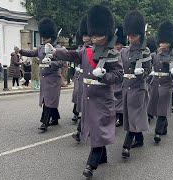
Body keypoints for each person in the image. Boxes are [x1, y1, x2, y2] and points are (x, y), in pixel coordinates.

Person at [54, 5, 123, 178]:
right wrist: (55, 51)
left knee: (99, 131)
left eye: (97, 35)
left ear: (106, 34)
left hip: (103, 99)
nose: (94, 38)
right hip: (89, 99)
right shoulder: (87, 50)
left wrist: (105, 75)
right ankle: (102, 157)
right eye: (93, 35)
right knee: (95, 130)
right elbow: (72, 56)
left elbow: (118, 75)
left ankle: (91, 165)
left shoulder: (112, 53)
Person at [19, 18, 64, 133]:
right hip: (44, 79)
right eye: (43, 37)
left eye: (46, 37)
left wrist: (50, 63)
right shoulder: (40, 48)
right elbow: (31, 53)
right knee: (48, 100)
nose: (43, 39)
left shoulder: (57, 49)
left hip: (53, 79)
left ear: (52, 37)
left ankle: (44, 122)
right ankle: (54, 118)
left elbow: (61, 63)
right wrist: (20, 51)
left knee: (48, 101)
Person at [120, 10, 152, 158]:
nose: (131, 38)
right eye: (130, 35)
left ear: (140, 34)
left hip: (139, 88)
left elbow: (148, 69)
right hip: (127, 87)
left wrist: (142, 73)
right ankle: (139, 139)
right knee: (130, 116)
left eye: (134, 35)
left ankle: (126, 146)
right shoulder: (124, 52)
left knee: (133, 116)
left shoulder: (145, 51)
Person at [147, 20, 173, 143]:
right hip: (155, 83)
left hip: (166, 83)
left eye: (165, 42)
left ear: (169, 44)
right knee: (155, 107)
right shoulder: (154, 55)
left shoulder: (172, 56)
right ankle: (164, 127)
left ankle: (158, 132)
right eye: (161, 42)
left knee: (162, 108)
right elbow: (149, 66)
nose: (162, 44)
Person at [71, 15, 92, 142]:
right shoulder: (81, 49)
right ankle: (81, 130)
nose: (85, 38)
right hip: (82, 79)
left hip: (94, 83)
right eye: (84, 36)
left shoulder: (98, 51)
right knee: (84, 107)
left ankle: (80, 131)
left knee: (89, 109)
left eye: (87, 36)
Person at [114, 26, 127, 127]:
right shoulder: (113, 53)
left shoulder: (125, 53)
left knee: (121, 100)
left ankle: (121, 118)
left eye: (119, 44)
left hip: (123, 80)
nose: (117, 46)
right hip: (115, 79)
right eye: (116, 44)